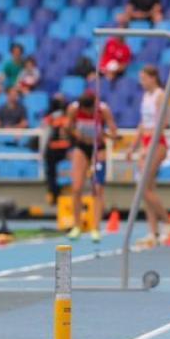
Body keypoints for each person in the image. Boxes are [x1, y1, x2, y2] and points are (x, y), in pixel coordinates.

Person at [125, 65, 170, 246]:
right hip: (146, 142)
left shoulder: (160, 95)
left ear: (153, 78)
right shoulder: (146, 97)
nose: (142, 82)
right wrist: (133, 147)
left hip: (157, 144)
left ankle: (167, 222)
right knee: (147, 190)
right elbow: (143, 124)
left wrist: (149, 146)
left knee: (143, 187)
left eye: (144, 78)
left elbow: (162, 123)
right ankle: (153, 232)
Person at [65, 90, 117, 243]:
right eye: (85, 111)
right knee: (76, 187)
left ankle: (95, 227)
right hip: (81, 147)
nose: (87, 112)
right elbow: (67, 127)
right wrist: (76, 134)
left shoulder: (103, 110)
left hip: (98, 149)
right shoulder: (74, 109)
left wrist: (106, 135)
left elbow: (113, 131)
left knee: (98, 189)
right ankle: (77, 226)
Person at [40, 94, 72, 204]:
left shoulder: (51, 117)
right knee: (54, 173)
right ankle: (57, 194)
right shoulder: (67, 116)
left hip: (55, 148)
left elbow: (45, 131)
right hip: (63, 148)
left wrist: (43, 151)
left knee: (52, 174)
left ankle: (55, 194)